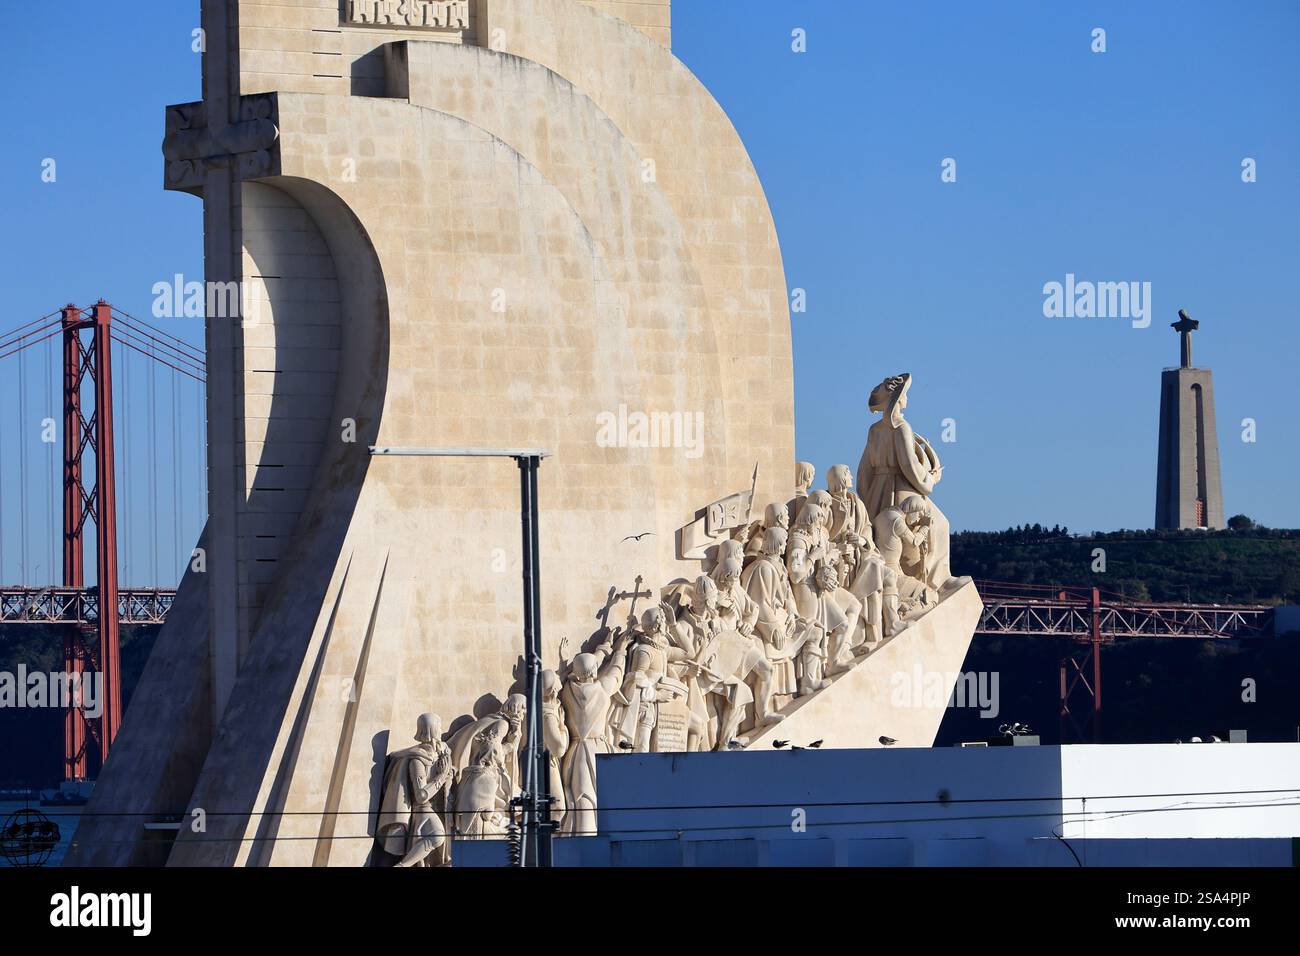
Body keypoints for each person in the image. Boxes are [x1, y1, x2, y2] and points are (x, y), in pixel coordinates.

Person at [377, 713, 453, 867]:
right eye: (439, 727)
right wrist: (441, 776)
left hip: (439, 808)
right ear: (432, 730)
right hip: (422, 809)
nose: (441, 730)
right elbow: (421, 795)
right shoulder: (417, 760)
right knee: (437, 835)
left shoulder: (442, 752)